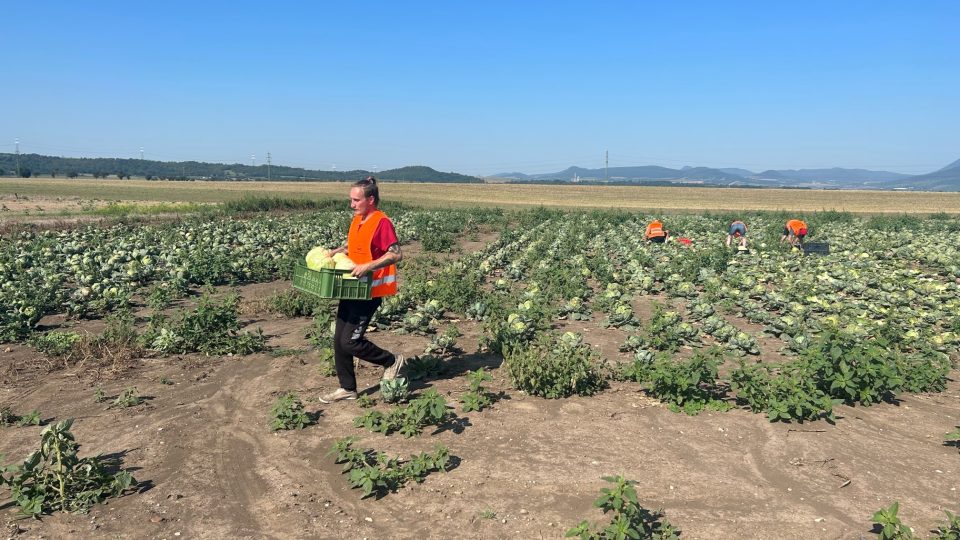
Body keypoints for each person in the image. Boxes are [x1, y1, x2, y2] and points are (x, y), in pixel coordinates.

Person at [319, 176, 405, 403]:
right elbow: (353, 245)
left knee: (350, 341)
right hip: (352, 287)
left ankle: (391, 361)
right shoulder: (359, 220)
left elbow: (396, 253)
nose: (352, 204)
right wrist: (335, 251)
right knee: (338, 340)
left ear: (371, 199)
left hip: (370, 291)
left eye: (356, 200)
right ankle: (347, 388)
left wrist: (369, 266)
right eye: (351, 200)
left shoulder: (381, 222)